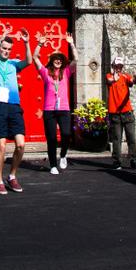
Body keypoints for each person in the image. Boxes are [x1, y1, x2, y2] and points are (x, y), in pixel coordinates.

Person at [0, 26, 32, 195]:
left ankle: (12, 176)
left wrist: (27, 43)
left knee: (21, 144)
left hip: (14, 106)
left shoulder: (13, 65)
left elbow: (29, 62)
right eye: (4, 48)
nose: (6, 51)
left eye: (8, 49)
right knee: (1, 145)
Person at [32, 32, 75, 175]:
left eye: (60, 59)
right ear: (51, 61)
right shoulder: (46, 73)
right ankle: (53, 165)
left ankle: (63, 155)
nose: (58, 61)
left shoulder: (67, 72)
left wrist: (71, 44)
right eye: (55, 59)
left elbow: (77, 59)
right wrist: (40, 44)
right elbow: (34, 58)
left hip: (63, 109)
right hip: (49, 110)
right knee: (51, 138)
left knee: (66, 133)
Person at [105, 55, 136, 171]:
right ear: (113, 66)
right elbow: (109, 80)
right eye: (116, 66)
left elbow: (132, 81)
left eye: (120, 66)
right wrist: (115, 77)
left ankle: (134, 160)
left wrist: (134, 79)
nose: (118, 68)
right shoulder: (109, 76)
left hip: (127, 112)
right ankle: (117, 161)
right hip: (115, 113)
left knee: (131, 138)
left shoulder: (125, 76)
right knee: (116, 139)